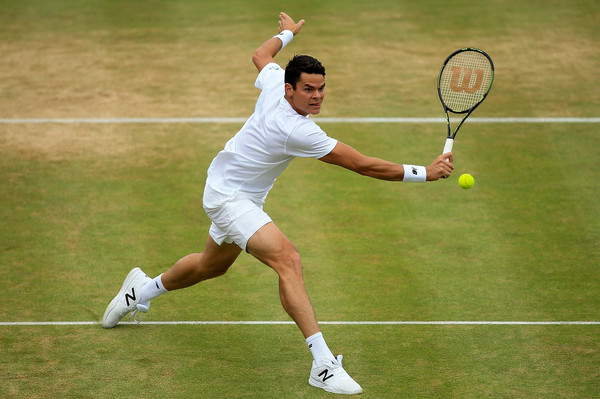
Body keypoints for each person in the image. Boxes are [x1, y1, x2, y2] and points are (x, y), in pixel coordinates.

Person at [102, 12, 454, 395]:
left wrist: (286, 33)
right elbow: (362, 165)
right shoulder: (297, 129)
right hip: (229, 198)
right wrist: (425, 172)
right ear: (290, 90)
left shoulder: (274, 83)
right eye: (308, 90)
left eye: (321, 89)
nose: (317, 96)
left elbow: (260, 54)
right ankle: (322, 364)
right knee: (288, 259)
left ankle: (138, 291)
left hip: (233, 190)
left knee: (210, 267)